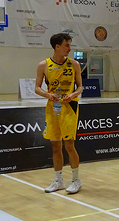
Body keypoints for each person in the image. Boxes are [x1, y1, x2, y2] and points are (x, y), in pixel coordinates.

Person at [35, 32, 84, 194]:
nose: (69, 48)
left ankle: (76, 180)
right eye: (66, 45)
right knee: (55, 146)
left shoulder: (74, 64)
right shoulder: (43, 65)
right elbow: (37, 88)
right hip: (53, 108)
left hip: (70, 107)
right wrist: (48, 95)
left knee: (69, 145)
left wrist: (73, 94)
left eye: (70, 45)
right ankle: (58, 180)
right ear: (57, 47)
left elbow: (80, 87)